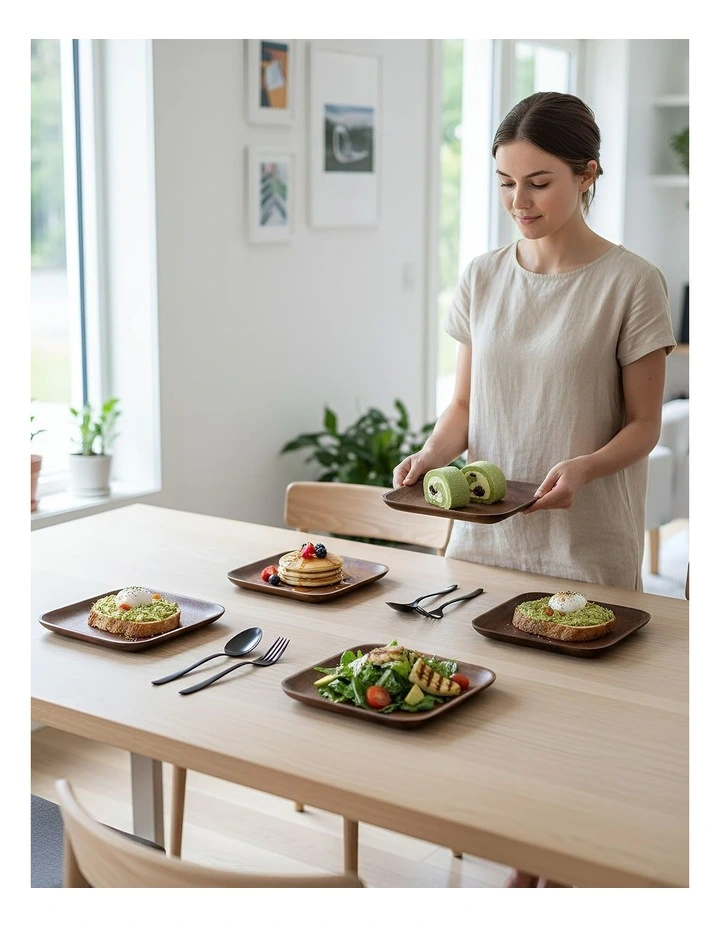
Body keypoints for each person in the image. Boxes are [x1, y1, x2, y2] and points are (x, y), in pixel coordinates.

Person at [393, 91, 677, 888]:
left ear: (588, 175)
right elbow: (463, 407)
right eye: (505, 183)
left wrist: (582, 467)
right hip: (487, 542)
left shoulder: (632, 283)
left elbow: (643, 425)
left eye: (540, 182)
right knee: (491, 718)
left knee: (577, 731)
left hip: (584, 545)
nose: (520, 201)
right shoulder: (483, 277)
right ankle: (526, 858)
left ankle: (558, 869)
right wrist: (429, 455)